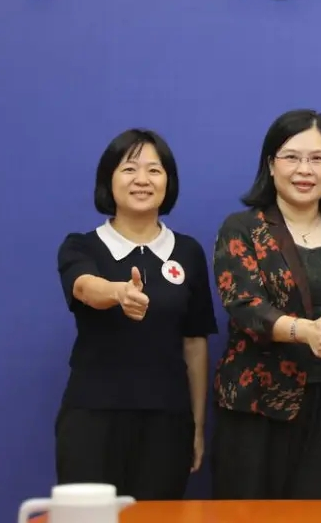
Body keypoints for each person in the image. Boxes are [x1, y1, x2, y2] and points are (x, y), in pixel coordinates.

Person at [209, 109, 321, 500]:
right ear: (271, 164)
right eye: (292, 157)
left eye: (317, 158)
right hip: (255, 408)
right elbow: (246, 305)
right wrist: (305, 331)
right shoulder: (243, 228)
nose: (305, 170)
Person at [55, 128, 218, 500]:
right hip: (92, 418)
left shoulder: (188, 252)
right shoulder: (82, 245)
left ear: (168, 181)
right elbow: (84, 287)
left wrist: (196, 425)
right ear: (108, 180)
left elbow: (194, 343)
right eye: (129, 169)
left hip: (167, 422)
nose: (142, 179)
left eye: (154, 170)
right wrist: (118, 293)